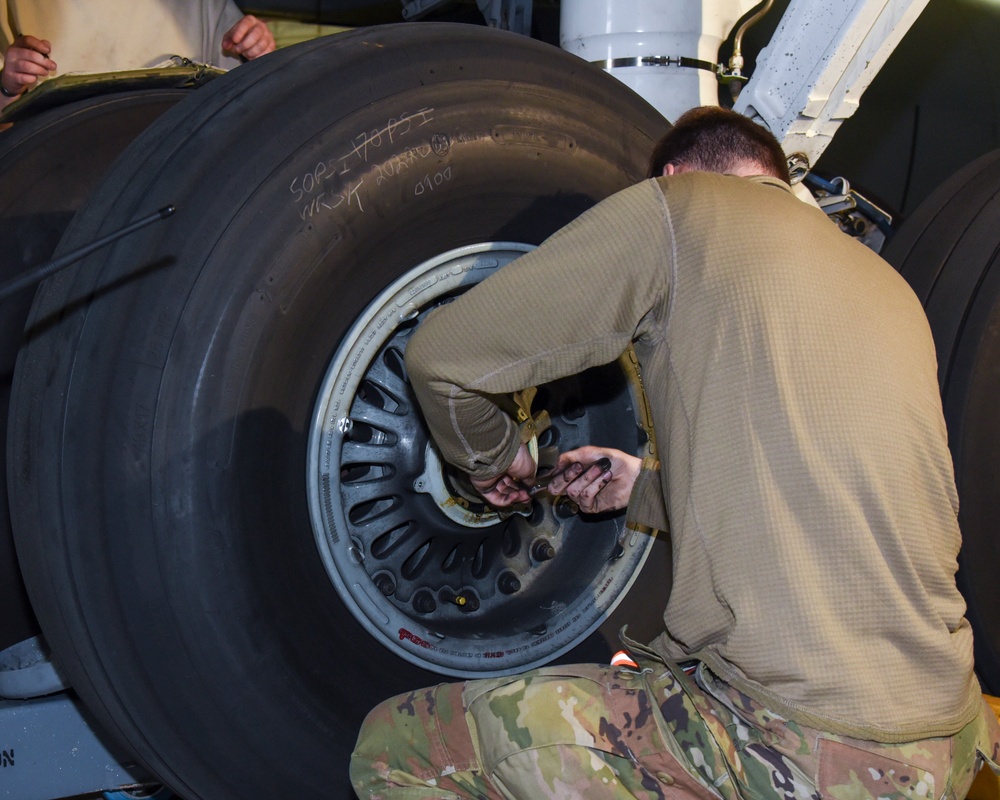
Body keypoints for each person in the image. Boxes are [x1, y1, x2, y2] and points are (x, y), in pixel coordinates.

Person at [349, 106, 1000, 799]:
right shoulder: (885, 285)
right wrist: (644, 487)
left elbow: (446, 359)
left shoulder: (680, 209)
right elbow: (819, 478)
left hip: (804, 743)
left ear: (674, 174)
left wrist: (493, 456)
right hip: (948, 732)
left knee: (399, 749)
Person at [0, 0, 274, 109]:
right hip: (62, 175)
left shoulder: (199, 5)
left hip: (176, 160)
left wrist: (257, 49)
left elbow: (253, 89)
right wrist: (8, 86)